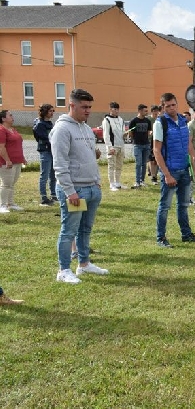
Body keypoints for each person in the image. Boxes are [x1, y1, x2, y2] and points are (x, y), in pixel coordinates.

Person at [50, 88, 109, 284]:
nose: (88, 111)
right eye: (84, 107)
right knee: (69, 231)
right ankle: (63, 269)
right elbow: (59, 164)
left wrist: (97, 182)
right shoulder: (61, 129)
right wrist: (70, 192)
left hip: (91, 187)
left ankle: (84, 264)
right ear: (72, 105)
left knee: (85, 229)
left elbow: (91, 156)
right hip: (75, 190)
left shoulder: (85, 128)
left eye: (90, 107)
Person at [153, 92, 195, 247]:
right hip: (170, 171)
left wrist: (193, 158)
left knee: (183, 205)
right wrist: (166, 174)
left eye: (174, 104)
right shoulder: (160, 123)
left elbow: (187, 142)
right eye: (168, 106)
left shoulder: (183, 121)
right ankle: (161, 238)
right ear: (163, 107)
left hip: (184, 169)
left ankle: (186, 234)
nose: (172, 108)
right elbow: (156, 151)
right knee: (165, 206)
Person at [0, 110, 27, 213]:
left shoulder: (13, 129)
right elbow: (1, 147)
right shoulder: (1, 130)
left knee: (12, 183)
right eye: (10, 115)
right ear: (3, 118)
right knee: (6, 184)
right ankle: (2, 205)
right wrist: (7, 160)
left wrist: (22, 158)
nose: (12, 117)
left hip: (17, 161)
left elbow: (18, 145)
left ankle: (10, 203)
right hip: (6, 162)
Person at [34, 103, 57, 206]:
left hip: (52, 151)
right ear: (44, 112)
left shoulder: (50, 123)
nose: (52, 113)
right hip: (45, 151)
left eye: (53, 111)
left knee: (53, 175)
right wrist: (53, 144)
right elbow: (45, 138)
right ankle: (44, 197)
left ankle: (54, 195)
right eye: (50, 111)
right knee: (44, 175)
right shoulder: (40, 124)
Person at [102, 101, 127, 191]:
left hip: (121, 146)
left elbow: (122, 132)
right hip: (113, 146)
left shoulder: (121, 119)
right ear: (110, 109)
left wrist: (125, 134)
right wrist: (110, 147)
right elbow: (106, 135)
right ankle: (112, 184)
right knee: (111, 165)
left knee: (119, 166)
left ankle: (118, 183)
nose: (116, 111)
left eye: (117, 109)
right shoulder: (107, 120)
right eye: (114, 109)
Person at [129, 104, 152, 188]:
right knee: (138, 163)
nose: (147, 112)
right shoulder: (134, 121)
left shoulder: (147, 121)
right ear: (139, 111)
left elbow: (149, 131)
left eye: (147, 110)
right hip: (137, 145)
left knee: (144, 164)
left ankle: (142, 181)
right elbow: (130, 133)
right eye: (145, 111)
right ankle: (137, 182)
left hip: (146, 144)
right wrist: (135, 139)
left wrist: (149, 136)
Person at [148, 105, 161, 184]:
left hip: (158, 140)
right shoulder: (148, 119)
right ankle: (153, 176)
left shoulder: (159, 119)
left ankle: (155, 175)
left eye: (157, 111)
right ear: (152, 111)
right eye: (155, 111)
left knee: (157, 159)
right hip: (150, 141)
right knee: (152, 160)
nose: (156, 113)